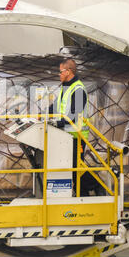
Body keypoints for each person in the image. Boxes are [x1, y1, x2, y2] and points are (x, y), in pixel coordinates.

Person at [49, 59, 99, 196]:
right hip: (66, 136)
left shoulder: (78, 89)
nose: (59, 74)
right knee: (72, 167)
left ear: (68, 71)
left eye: (60, 72)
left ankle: (96, 185)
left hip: (76, 136)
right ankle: (82, 195)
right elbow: (55, 106)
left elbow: (74, 115)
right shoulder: (65, 87)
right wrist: (42, 116)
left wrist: (57, 123)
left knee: (76, 166)